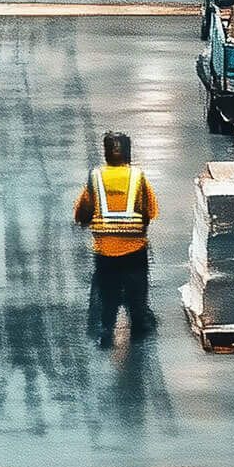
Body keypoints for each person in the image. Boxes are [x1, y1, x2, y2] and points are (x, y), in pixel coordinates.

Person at [73, 129, 159, 349]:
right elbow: (151, 210)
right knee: (137, 288)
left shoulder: (96, 178)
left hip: (104, 250)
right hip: (134, 248)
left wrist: (86, 221)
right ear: (128, 153)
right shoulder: (138, 177)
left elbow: (82, 211)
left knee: (107, 290)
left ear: (106, 154)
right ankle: (139, 324)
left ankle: (106, 329)